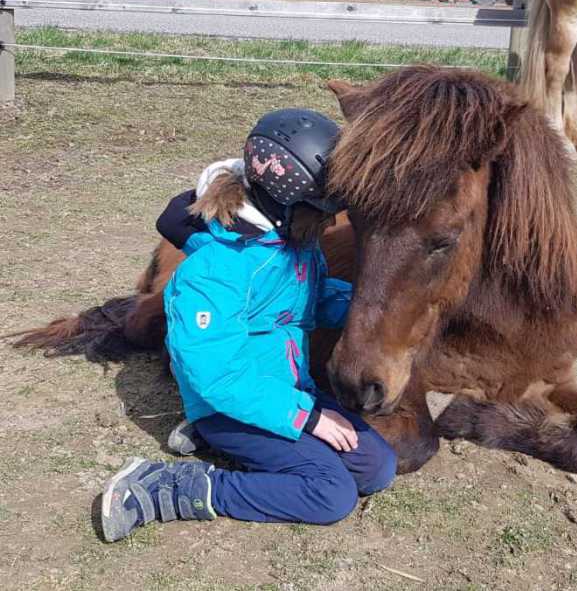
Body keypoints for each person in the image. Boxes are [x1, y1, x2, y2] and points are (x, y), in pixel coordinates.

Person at [100, 109, 397, 543]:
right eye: (320, 211)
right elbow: (216, 374)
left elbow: (312, 300)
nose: (330, 222)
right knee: (330, 495)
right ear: (283, 201)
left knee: (377, 468)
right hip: (225, 403)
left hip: (286, 390)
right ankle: (169, 486)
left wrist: (369, 309)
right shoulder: (215, 269)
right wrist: (307, 418)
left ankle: (245, 444)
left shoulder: (294, 245)